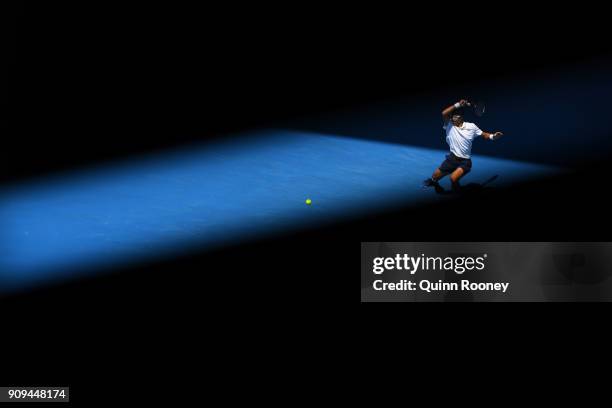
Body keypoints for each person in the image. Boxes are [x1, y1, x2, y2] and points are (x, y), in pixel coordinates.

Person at [423, 99, 504, 192]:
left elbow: (484, 135)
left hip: (465, 162)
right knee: (434, 177)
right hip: (451, 159)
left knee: (453, 179)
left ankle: (458, 191)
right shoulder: (449, 125)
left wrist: (494, 136)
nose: (453, 118)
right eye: (452, 116)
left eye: (455, 116)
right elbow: (444, 113)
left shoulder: (471, 126)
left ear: (461, 117)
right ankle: (434, 182)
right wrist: (457, 105)